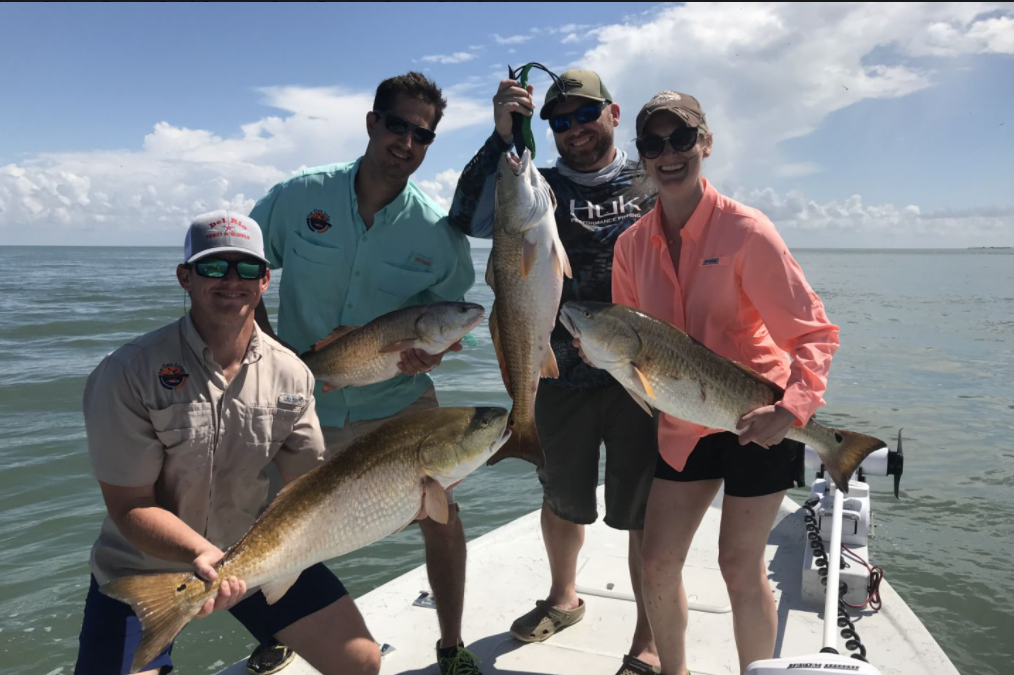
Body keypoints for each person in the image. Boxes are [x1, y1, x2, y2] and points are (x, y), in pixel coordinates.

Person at [74, 211, 381, 675]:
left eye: (248, 269)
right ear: (186, 277)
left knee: (360, 662)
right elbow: (129, 505)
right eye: (215, 267)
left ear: (265, 281)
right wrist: (202, 555)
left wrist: (396, 495)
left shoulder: (292, 374)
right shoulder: (127, 372)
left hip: (259, 554)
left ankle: (271, 632)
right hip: (144, 567)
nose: (232, 280)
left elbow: (309, 486)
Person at [249, 72, 480, 675]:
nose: (407, 142)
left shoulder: (438, 230)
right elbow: (241, 271)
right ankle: (275, 624)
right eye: (398, 125)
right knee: (274, 519)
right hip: (299, 403)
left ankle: (451, 644)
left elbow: (452, 321)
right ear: (373, 122)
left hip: (399, 401)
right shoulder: (300, 196)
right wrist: (268, 354)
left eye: (423, 135)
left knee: (441, 516)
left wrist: (433, 353)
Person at [609, 91, 841, 675]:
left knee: (740, 565)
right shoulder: (630, 246)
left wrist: (791, 411)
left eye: (681, 139)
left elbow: (813, 333)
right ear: (641, 155)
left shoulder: (747, 232)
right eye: (654, 143)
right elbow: (626, 341)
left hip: (757, 417)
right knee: (657, 563)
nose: (669, 153)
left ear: (705, 144)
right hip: (684, 422)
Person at [449, 70, 661, 675]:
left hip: (636, 376)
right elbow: (466, 213)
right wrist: (500, 137)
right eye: (558, 121)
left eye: (584, 115)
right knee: (562, 499)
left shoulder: (649, 177)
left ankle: (648, 633)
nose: (572, 131)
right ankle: (564, 598)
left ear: (614, 113)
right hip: (557, 376)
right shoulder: (532, 183)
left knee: (642, 510)